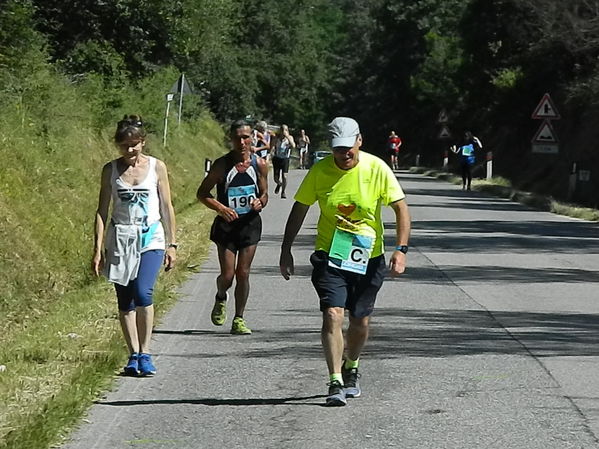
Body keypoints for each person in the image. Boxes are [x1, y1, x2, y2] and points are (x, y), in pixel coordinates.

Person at [279, 117, 411, 406]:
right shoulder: (320, 171)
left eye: (349, 148)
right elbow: (299, 209)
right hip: (330, 255)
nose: (344, 154)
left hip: (369, 256)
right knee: (333, 314)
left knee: (359, 320)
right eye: (339, 149)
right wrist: (286, 248)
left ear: (359, 141)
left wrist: (401, 249)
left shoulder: (377, 168)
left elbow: (401, 208)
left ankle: (352, 366)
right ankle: (335, 380)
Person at [92, 115, 177, 377]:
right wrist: (97, 249)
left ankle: (147, 352)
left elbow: (166, 206)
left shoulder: (156, 167)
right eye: (125, 145)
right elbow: (101, 211)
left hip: (150, 237)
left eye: (135, 144)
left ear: (143, 142)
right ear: (118, 145)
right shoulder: (111, 170)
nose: (130, 150)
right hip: (120, 240)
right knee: (125, 300)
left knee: (143, 293)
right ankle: (133, 355)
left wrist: (172, 243)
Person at [197, 119, 268, 335]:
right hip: (227, 227)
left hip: (250, 225)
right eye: (237, 137)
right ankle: (221, 296)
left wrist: (260, 202)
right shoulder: (221, 165)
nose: (242, 141)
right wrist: (221, 208)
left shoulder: (260, 164)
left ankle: (239, 318)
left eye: (246, 137)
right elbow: (202, 194)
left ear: (252, 138)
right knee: (227, 276)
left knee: (243, 273)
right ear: (231, 139)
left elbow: (265, 194)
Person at [270, 124, 296, 198]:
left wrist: (287, 136)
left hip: (285, 159)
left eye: (286, 130)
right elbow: (272, 147)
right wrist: (270, 154)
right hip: (277, 158)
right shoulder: (276, 138)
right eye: (283, 130)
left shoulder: (290, 138)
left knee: (285, 176)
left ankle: (283, 192)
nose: (284, 132)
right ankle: (279, 184)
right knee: (276, 178)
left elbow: (293, 146)